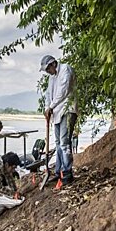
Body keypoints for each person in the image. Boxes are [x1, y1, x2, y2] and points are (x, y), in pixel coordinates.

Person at [40, 55, 78, 185]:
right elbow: (48, 95)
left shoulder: (65, 69)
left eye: (47, 69)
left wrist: (50, 106)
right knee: (57, 143)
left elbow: (63, 91)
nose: (47, 72)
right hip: (56, 113)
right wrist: (47, 108)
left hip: (67, 110)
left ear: (53, 64)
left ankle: (67, 172)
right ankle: (59, 171)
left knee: (64, 142)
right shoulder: (51, 78)